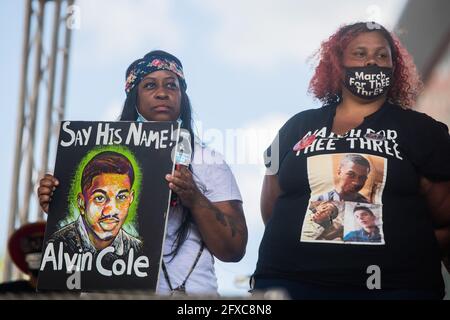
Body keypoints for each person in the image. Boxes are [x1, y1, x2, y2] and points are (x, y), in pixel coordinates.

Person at [255, 22, 450, 299]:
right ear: (337, 63)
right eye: (360, 53)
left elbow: (445, 219)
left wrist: (409, 253)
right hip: (289, 283)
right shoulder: (296, 126)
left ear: (394, 68)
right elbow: (272, 209)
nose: (372, 60)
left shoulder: (422, 130)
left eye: (382, 55)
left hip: (395, 287)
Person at [38, 50, 247, 296]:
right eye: (149, 85)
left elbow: (233, 250)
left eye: (172, 85)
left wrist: (194, 198)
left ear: (182, 97)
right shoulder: (97, 155)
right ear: (133, 98)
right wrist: (59, 201)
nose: (162, 93)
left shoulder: (207, 161)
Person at [47, 151, 142, 258]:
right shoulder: (55, 246)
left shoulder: (138, 250)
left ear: (130, 199)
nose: (111, 211)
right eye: (100, 198)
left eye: (121, 197)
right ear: (81, 203)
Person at [0, 222, 46, 293]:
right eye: (31, 244)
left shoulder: (66, 293)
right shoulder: (5, 291)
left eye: (44, 243)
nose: (37, 247)